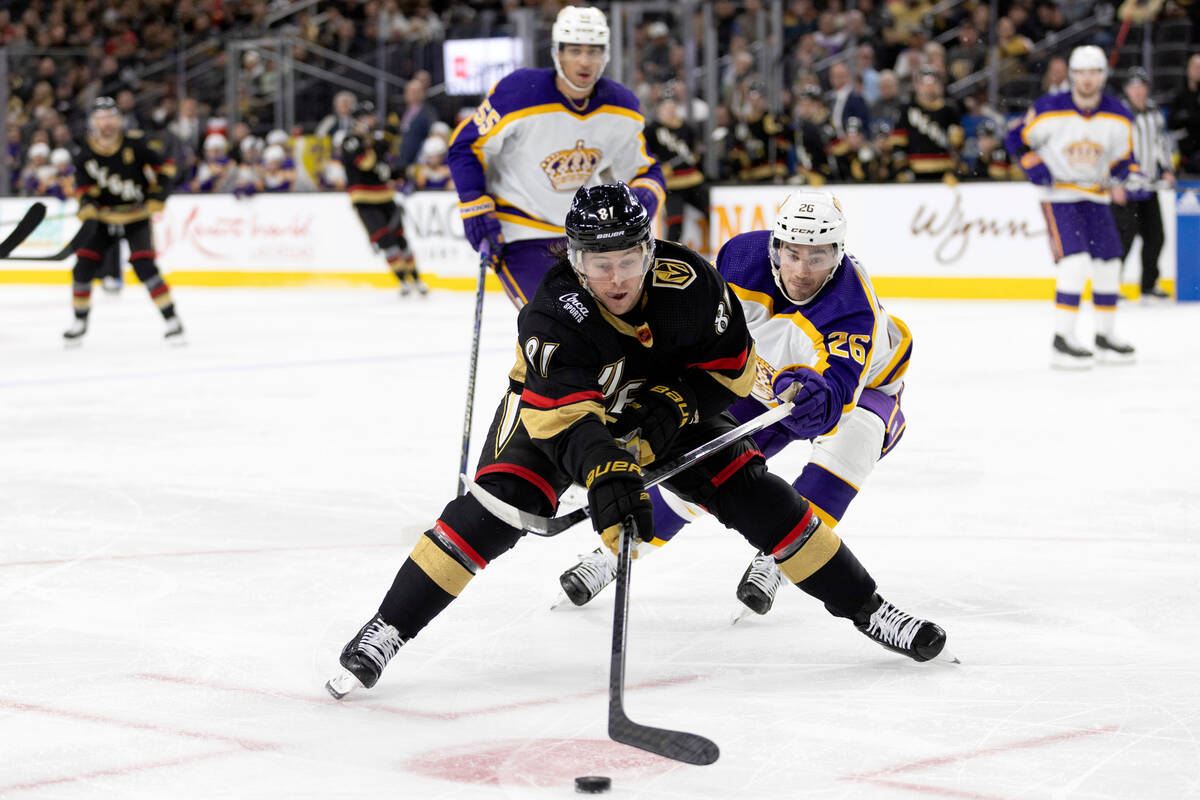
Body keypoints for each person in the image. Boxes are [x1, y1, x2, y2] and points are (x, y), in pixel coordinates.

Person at [325, 183, 949, 700]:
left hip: (660, 410)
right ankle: (387, 628)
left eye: (628, 258)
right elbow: (563, 418)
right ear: (575, 259)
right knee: (493, 512)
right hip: (555, 422)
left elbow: (729, 374)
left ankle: (869, 609)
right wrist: (606, 471)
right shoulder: (551, 312)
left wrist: (674, 407)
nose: (616, 275)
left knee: (758, 497)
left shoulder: (692, 282)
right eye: (600, 262)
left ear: (650, 248)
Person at [557, 190, 914, 619]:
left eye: (818, 257)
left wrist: (818, 400)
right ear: (775, 245)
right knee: (702, 466)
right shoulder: (741, 257)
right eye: (793, 254)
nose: (802, 271)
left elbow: (835, 400)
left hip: (859, 394)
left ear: (838, 254)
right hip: (761, 380)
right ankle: (614, 555)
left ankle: (779, 558)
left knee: (854, 444)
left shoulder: (852, 309)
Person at [446, 5, 665, 307]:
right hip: (520, 230)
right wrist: (474, 203)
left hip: (588, 239)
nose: (585, 61)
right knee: (558, 327)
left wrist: (642, 201)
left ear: (607, 54)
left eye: (594, 51)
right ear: (557, 52)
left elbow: (646, 170)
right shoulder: (519, 93)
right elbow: (465, 145)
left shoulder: (622, 107)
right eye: (574, 51)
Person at [1005, 45, 1140, 368]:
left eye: (1094, 72)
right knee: (1074, 262)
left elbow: (1125, 159)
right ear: (1072, 75)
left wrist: (1128, 175)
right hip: (1059, 198)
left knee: (1109, 261)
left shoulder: (1118, 114)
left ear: (1103, 75)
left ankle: (1105, 336)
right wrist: (1033, 163)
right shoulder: (1049, 108)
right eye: (1081, 72)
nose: (1087, 79)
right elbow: (1015, 138)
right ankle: (1062, 340)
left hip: (1095, 196)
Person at [63, 96, 183, 344]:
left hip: (136, 214)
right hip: (104, 219)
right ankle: (79, 321)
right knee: (83, 266)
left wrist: (158, 195)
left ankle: (172, 320)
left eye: (110, 117)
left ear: (119, 120)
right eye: (101, 118)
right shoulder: (84, 151)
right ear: (93, 122)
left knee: (144, 266)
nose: (106, 123)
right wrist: (86, 205)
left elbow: (167, 168)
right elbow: (84, 186)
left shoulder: (135, 144)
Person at [340, 99, 428, 297]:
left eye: (372, 116)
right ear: (357, 120)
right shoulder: (351, 141)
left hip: (385, 196)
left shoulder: (374, 140)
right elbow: (366, 163)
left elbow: (383, 169)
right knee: (385, 240)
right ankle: (402, 280)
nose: (372, 120)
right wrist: (382, 141)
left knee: (401, 239)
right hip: (364, 200)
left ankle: (416, 278)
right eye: (367, 117)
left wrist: (400, 173)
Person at [1112, 68, 1174, 301]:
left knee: (1156, 237)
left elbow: (1162, 143)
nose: (1138, 91)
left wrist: (1167, 168)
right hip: (1125, 187)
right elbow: (1111, 148)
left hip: (1148, 187)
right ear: (1127, 89)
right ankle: (1111, 286)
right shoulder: (1118, 113)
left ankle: (1148, 284)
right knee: (1122, 239)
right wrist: (1114, 182)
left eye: (1141, 86)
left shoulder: (1154, 112)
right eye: (1133, 86)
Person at [644, 94, 709, 244]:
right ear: (659, 110)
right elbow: (645, 155)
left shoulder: (686, 128)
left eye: (672, 107)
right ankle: (671, 253)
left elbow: (696, 152)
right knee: (675, 221)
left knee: (711, 210)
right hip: (671, 184)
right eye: (666, 108)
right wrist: (658, 167)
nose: (670, 111)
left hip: (692, 180)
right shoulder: (652, 130)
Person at [892, 68, 964, 183]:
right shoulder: (907, 109)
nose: (929, 88)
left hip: (944, 172)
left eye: (933, 84)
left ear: (939, 86)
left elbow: (957, 146)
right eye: (924, 84)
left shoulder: (949, 109)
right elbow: (898, 143)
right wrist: (902, 169)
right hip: (914, 171)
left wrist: (955, 170)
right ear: (917, 86)